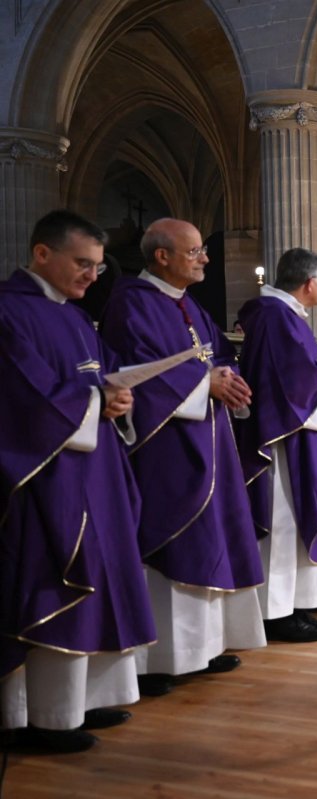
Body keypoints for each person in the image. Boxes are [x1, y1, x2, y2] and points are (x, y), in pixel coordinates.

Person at [0, 210, 156, 752]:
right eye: (82, 263)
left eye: (97, 265)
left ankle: (81, 702)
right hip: (47, 475)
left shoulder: (71, 315)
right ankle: (40, 716)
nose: (93, 275)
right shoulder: (10, 312)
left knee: (102, 576)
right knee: (57, 578)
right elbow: (24, 398)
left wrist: (121, 395)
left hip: (95, 469)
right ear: (42, 253)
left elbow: (103, 375)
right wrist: (96, 402)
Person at [99, 218, 265, 696]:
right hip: (164, 448)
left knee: (209, 539)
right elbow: (134, 375)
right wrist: (204, 384)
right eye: (194, 251)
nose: (205, 258)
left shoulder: (189, 305)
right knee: (170, 542)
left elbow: (218, 356)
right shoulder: (132, 305)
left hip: (207, 437)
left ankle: (202, 649)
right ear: (162, 257)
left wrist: (228, 379)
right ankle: (159, 660)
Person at [237, 248, 317, 643]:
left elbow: (289, 368)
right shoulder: (275, 316)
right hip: (282, 442)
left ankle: (296, 606)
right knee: (283, 521)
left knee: (296, 522)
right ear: (309, 283)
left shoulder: (286, 317)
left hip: (298, 436)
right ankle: (275, 612)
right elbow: (283, 381)